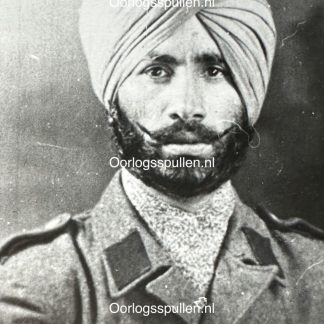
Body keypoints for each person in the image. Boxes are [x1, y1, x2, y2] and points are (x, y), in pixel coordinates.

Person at [0, 0, 324, 323]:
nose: (187, 107)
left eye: (215, 70)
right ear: (113, 101)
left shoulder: (312, 272)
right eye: (157, 71)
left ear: (250, 93)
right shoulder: (41, 282)